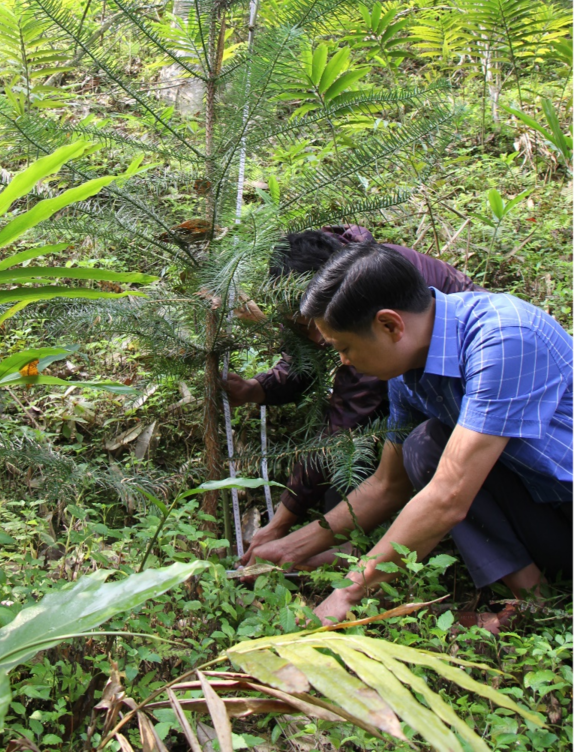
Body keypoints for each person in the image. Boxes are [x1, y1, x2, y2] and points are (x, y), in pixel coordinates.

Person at [245, 242, 574, 629]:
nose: (344, 361)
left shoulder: (504, 339)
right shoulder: (411, 371)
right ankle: (534, 599)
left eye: (345, 347)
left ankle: (540, 614)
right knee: (425, 445)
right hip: (546, 506)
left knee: (436, 456)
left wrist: (348, 594)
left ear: (389, 325)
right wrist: (292, 546)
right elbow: (387, 485)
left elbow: (447, 496)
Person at [222, 226, 476, 564]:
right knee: (345, 481)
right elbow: (304, 356)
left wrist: (281, 523)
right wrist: (257, 389)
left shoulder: (369, 300)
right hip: (412, 385)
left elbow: (346, 421)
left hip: (454, 387)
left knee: (385, 453)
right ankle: (346, 540)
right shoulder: (315, 285)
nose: (318, 341)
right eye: (303, 325)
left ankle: (365, 547)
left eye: (316, 329)